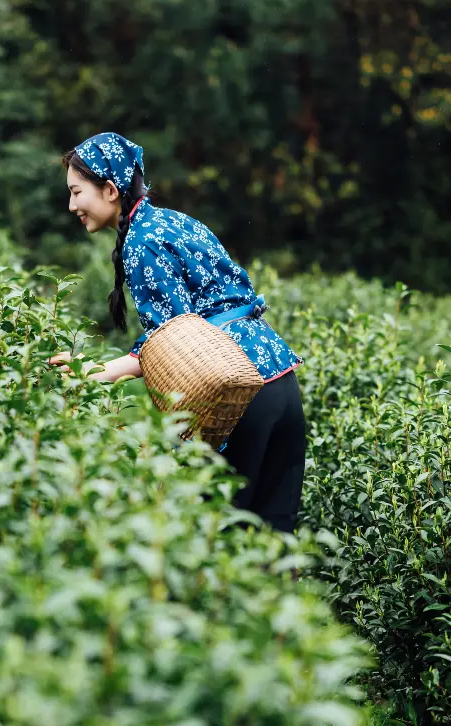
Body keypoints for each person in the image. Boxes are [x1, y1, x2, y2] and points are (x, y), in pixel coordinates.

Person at [50, 132, 306, 533]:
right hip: (281, 384)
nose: (71, 205)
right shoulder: (174, 221)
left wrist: (90, 372)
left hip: (238, 396)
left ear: (111, 190)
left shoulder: (141, 243)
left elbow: (172, 341)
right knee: (276, 540)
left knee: (224, 538)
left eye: (77, 192)